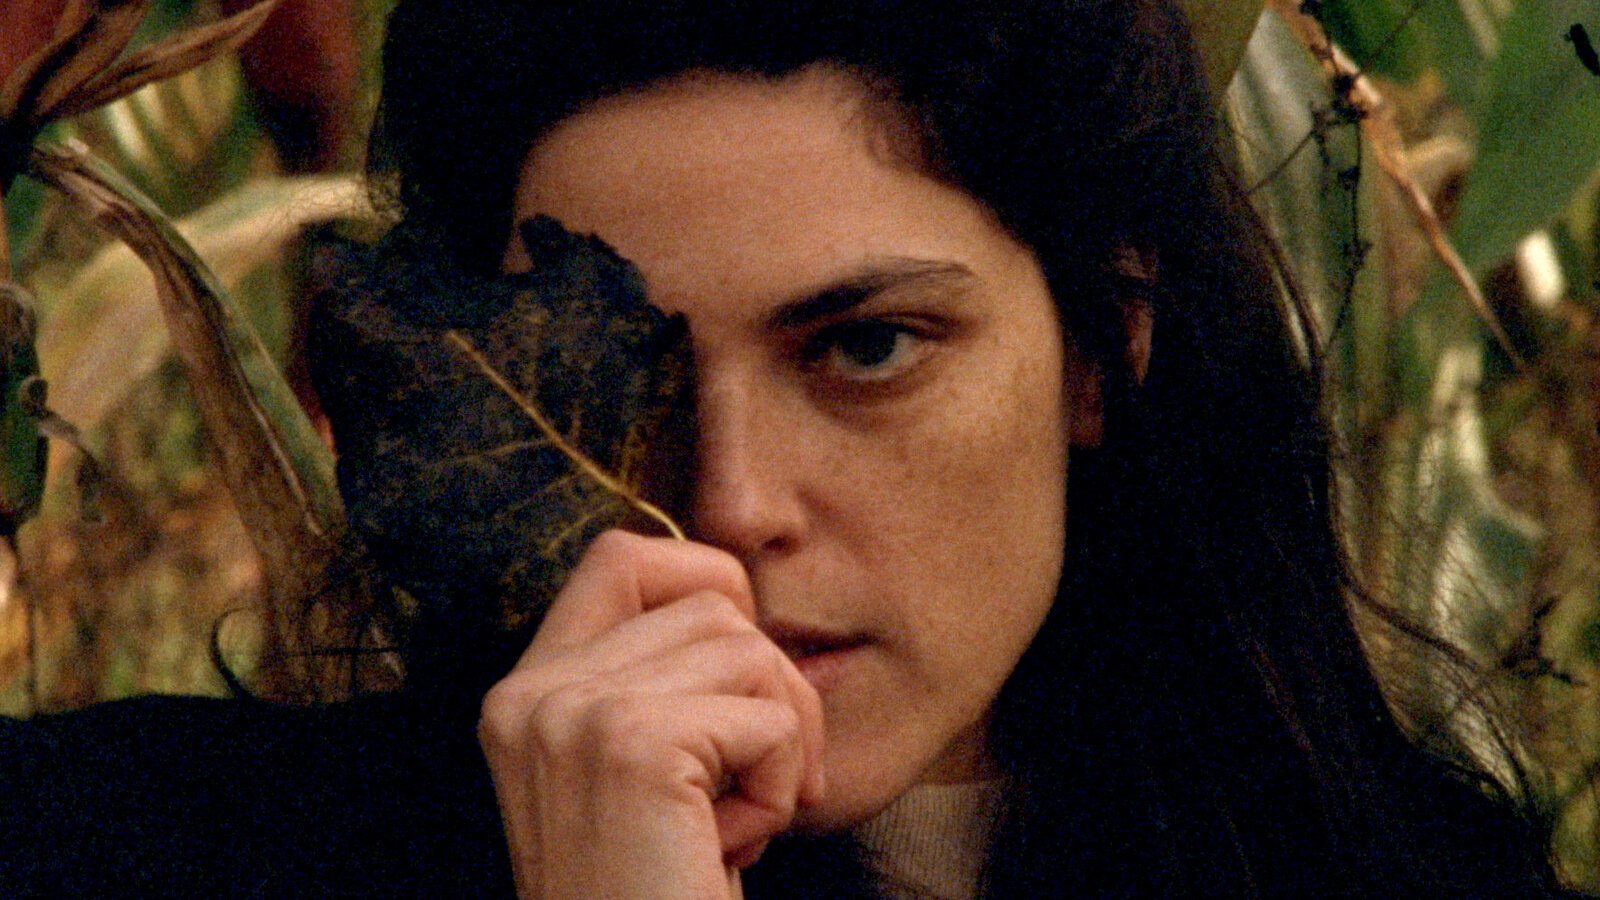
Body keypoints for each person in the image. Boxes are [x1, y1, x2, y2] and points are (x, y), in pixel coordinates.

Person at [0, 0, 1575, 897]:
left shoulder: (1417, 877)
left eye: (865, 348)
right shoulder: (140, 851)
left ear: (1102, 349)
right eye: (619, 371)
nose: (730, 506)